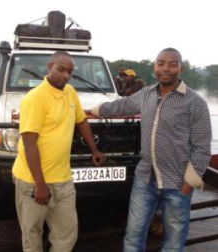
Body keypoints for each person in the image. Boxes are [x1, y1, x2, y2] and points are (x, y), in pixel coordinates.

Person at [86, 48, 212, 251]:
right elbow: (120, 106)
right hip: (144, 180)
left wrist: (188, 185)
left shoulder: (195, 103)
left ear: (181, 67)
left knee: (173, 244)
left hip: (177, 183)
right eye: (161, 63)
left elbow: (202, 147)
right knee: (133, 238)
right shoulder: (145, 94)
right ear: (155, 66)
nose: (166, 69)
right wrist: (92, 111)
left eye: (173, 64)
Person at [12, 51, 106, 252]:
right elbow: (29, 143)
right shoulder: (35, 98)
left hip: (63, 178)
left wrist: (94, 149)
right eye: (61, 70)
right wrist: (40, 185)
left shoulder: (70, 91)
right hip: (33, 181)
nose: (65, 75)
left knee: (67, 234)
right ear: (49, 67)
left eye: (70, 71)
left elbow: (81, 120)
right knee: (32, 235)